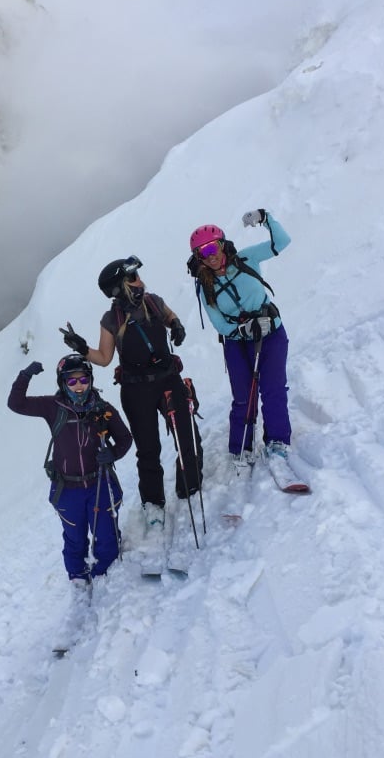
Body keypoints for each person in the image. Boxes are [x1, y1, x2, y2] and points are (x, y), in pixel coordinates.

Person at [59, 256, 201, 536]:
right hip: (137, 389)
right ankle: (153, 503)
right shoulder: (112, 319)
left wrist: (177, 326)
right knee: (148, 449)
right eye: (133, 277)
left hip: (167, 379)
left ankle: (190, 488)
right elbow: (104, 358)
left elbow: (170, 317)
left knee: (187, 435)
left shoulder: (153, 302)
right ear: (119, 287)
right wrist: (82, 348)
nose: (140, 281)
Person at [8, 354, 133, 589]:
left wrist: (113, 454)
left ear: (91, 380)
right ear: (63, 383)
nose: (79, 386)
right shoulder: (53, 407)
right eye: (72, 381)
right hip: (68, 488)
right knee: (74, 537)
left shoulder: (103, 409)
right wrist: (24, 376)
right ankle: (77, 576)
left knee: (106, 535)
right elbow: (16, 404)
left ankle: (105, 573)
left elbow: (125, 438)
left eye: (83, 380)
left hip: (99, 484)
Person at [187, 208, 294, 460]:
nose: (210, 256)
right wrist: (242, 329)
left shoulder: (246, 259)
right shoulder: (205, 287)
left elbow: (282, 243)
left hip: (271, 333)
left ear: (222, 245)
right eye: (203, 253)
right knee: (243, 397)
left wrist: (265, 218)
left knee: (273, 389)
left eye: (213, 248)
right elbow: (219, 323)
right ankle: (241, 447)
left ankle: (277, 441)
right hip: (237, 343)